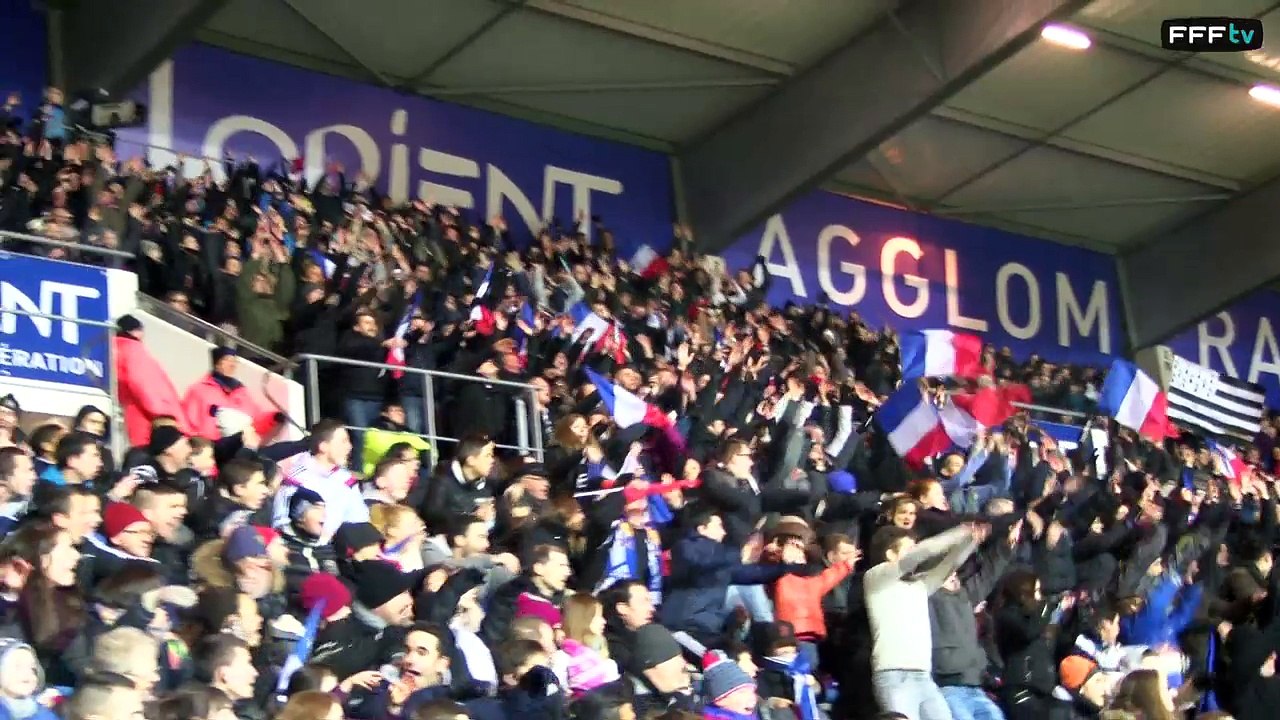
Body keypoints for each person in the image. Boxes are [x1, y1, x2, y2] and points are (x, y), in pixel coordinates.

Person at [864, 523, 985, 720]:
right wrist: (960, 531)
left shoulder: (919, 585)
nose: (914, 551)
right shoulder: (876, 579)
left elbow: (950, 565)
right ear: (890, 554)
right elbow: (923, 552)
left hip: (923, 676)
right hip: (893, 677)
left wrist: (971, 541)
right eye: (908, 547)